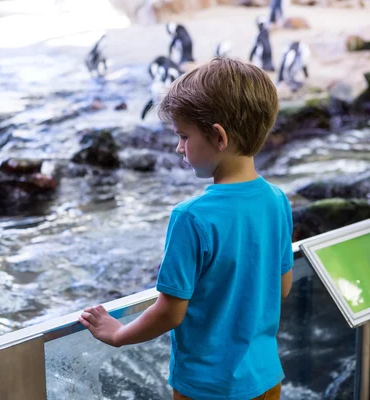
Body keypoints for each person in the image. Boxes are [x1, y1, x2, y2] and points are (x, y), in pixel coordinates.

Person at [78, 57, 294, 400]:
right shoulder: (276, 200)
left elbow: (170, 311)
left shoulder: (191, 217)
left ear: (219, 137)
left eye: (183, 136)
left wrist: (118, 334)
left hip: (207, 387)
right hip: (266, 377)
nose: (179, 147)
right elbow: (281, 288)